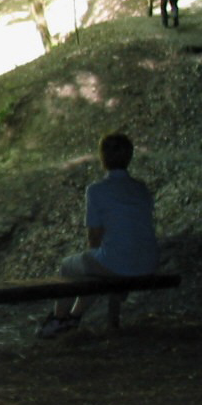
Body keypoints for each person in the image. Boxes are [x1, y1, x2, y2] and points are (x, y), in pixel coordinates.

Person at [38, 132, 158, 339]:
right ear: (129, 157)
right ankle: (74, 317)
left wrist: (96, 254)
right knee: (95, 267)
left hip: (120, 262)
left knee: (71, 266)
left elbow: (94, 235)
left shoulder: (97, 190)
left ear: (102, 157)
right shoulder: (141, 189)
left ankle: (58, 319)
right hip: (149, 261)